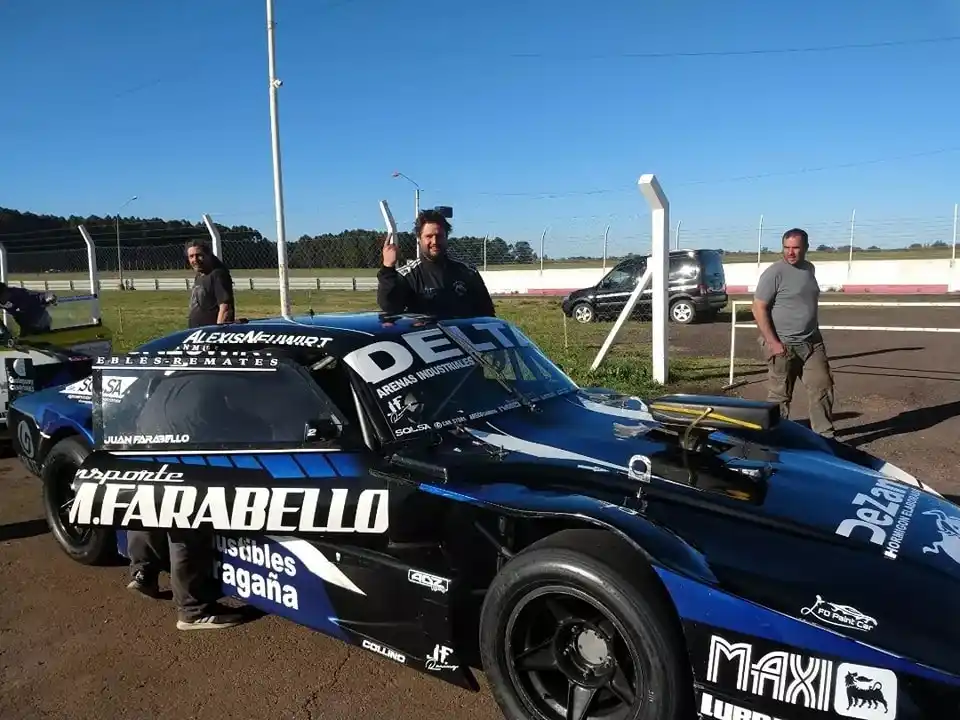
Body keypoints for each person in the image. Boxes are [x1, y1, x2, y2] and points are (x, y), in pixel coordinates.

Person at [752, 228, 835, 438]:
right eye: (786, 248)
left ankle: (825, 438)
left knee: (822, 387)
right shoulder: (774, 273)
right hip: (783, 345)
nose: (790, 252)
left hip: (812, 343)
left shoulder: (809, 269)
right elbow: (758, 308)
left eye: (796, 248)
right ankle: (774, 439)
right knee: (780, 396)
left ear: (806, 247)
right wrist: (773, 343)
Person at [377, 209, 496, 319]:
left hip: (463, 339)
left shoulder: (468, 272)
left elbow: (487, 315)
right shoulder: (409, 275)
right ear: (419, 239)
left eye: (439, 236)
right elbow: (389, 306)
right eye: (429, 236)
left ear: (446, 237)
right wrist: (388, 267)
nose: (434, 242)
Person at [186, 239, 235, 327]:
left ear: (208, 255)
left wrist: (218, 332)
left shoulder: (217, 275)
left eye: (199, 255)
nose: (195, 259)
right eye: (191, 256)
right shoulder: (199, 276)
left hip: (210, 334)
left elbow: (225, 308)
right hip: (197, 333)